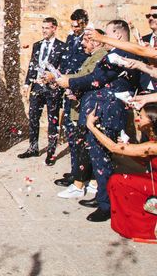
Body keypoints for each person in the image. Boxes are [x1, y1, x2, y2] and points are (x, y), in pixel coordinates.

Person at [55, 20, 141, 222]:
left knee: (102, 158)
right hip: (100, 111)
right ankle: (103, 196)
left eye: (108, 33)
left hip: (107, 112)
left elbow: (97, 79)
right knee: (98, 157)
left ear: (118, 35)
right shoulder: (120, 54)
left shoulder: (119, 55)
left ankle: (106, 204)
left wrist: (69, 82)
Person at [47, 30, 107, 196]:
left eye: (87, 40)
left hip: (88, 108)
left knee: (84, 145)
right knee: (82, 145)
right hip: (81, 104)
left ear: (97, 42)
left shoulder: (100, 56)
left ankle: (82, 183)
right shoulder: (93, 56)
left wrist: (68, 82)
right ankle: (83, 178)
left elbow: (87, 78)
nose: (82, 44)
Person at [86, 104, 157, 240]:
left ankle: (142, 228)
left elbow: (113, 148)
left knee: (118, 181)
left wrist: (92, 127)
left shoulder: (153, 146)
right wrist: (130, 148)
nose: (138, 120)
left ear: (151, 122)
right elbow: (144, 161)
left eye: (141, 117)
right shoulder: (151, 141)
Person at [18, 17, 67, 165]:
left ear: (54, 28)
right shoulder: (37, 45)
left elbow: (64, 69)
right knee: (33, 118)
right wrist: (27, 84)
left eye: (47, 28)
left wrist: (54, 79)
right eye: (43, 28)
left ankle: (51, 152)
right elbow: (32, 65)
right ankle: (33, 148)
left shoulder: (62, 46)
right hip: (37, 87)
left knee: (53, 120)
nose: (44, 30)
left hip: (53, 89)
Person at [59, 9, 90, 177]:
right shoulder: (71, 37)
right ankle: (74, 170)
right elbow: (66, 58)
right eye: (72, 26)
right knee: (70, 129)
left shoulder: (90, 38)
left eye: (77, 26)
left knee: (79, 131)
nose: (74, 29)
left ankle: (81, 172)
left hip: (79, 85)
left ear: (84, 22)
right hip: (67, 84)